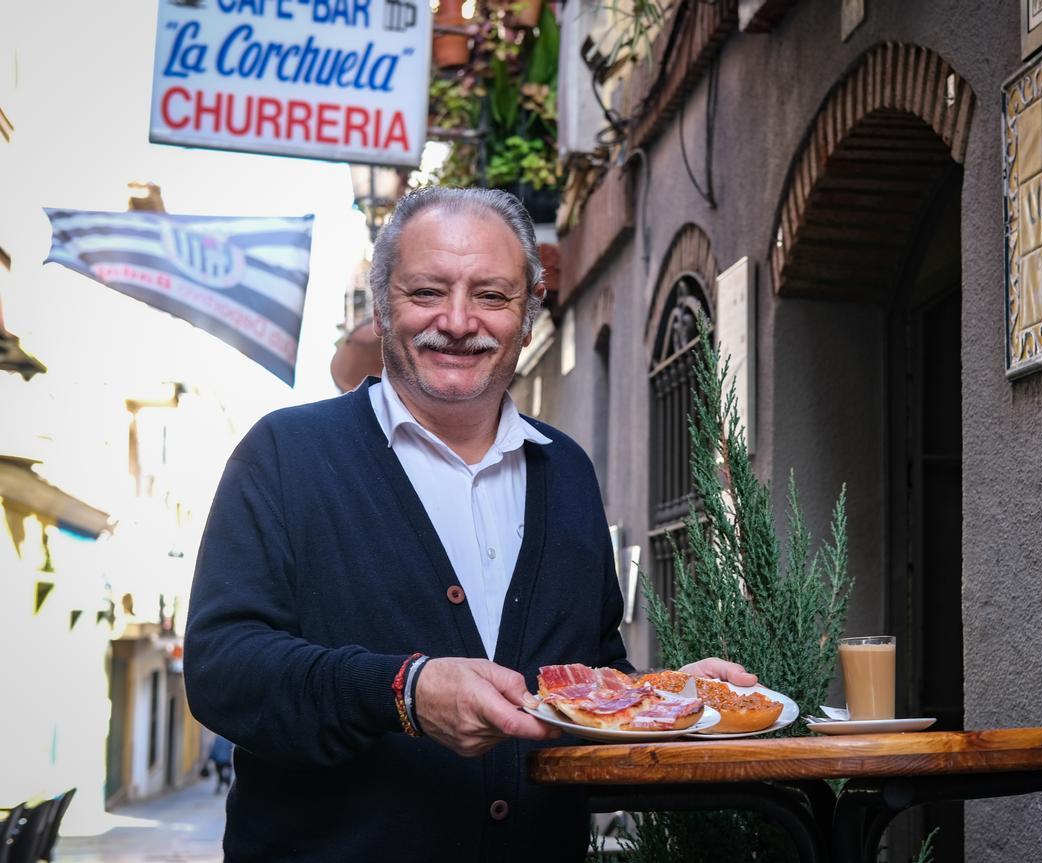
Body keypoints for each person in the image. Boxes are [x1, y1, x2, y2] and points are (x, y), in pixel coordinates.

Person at [183, 187, 757, 862]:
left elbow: (586, 677)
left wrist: (661, 697)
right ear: (380, 305)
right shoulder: (283, 455)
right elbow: (223, 670)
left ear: (529, 314)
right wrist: (405, 690)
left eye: (491, 295)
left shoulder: (566, 471)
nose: (458, 321)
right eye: (427, 290)